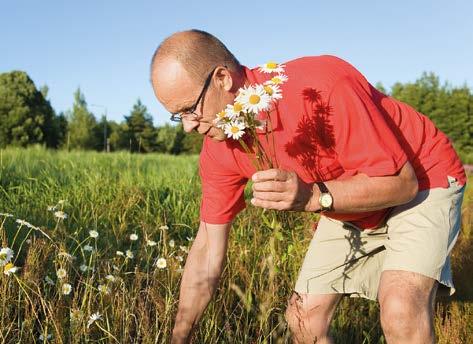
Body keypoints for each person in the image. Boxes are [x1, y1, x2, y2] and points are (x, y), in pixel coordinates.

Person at [150, 29, 466, 344]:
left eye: (190, 109)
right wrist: (181, 336)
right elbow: (207, 245)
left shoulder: (321, 84)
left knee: (400, 307)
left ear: (222, 78)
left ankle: (422, 280)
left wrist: (313, 196)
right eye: (178, 116)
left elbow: (402, 183)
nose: (189, 126)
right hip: (345, 198)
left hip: (422, 178)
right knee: (303, 320)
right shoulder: (220, 147)